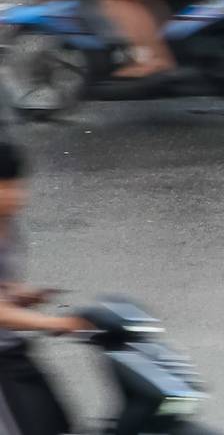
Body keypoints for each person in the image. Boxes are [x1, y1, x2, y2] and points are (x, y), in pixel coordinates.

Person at [0, 142, 97, 434]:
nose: (16, 196)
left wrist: (20, 294)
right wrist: (55, 323)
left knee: (55, 423)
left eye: (18, 186)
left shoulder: (10, 226)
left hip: (12, 350)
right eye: (5, 188)